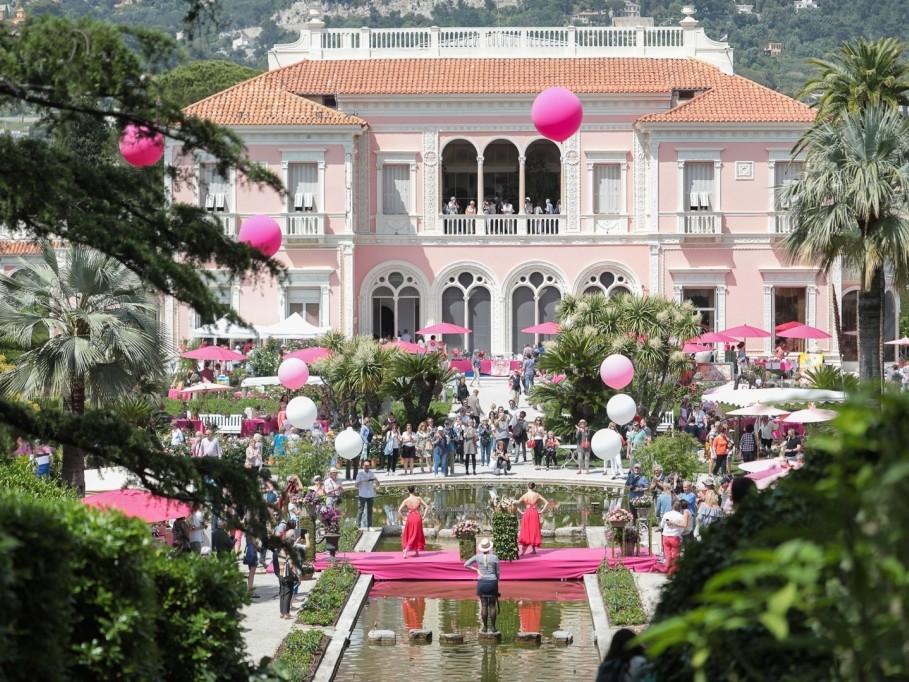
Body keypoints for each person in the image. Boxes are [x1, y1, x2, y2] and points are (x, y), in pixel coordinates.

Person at [464, 537, 500, 634]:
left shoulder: (477, 557)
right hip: (492, 582)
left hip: (482, 582)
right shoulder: (494, 557)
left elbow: (466, 564)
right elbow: (497, 572)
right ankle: (493, 628)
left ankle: (484, 627)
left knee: (484, 605)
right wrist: (497, 583)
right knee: (492, 605)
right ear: (489, 548)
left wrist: (476, 570)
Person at [517, 482, 548, 556]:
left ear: (527, 487)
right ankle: (533, 550)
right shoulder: (537, 495)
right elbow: (546, 502)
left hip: (527, 513)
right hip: (534, 512)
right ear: (534, 487)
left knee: (526, 530)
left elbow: (515, 504)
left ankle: (524, 551)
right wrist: (541, 511)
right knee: (533, 530)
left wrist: (521, 512)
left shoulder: (525, 495)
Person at [398, 486, 428, 559]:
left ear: (408, 490)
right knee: (416, 534)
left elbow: (399, 510)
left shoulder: (406, 500)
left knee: (411, 533)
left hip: (410, 518)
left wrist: (403, 518)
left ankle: (416, 552)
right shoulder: (418, 498)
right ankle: (406, 550)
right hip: (417, 517)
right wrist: (424, 516)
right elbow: (427, 507)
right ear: (414, 490)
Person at [276, 528, 299, 620]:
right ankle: (286, 614)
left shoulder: (281, 549)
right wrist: (297, 575)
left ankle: (282, 612)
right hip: (287, 575)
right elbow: (291, 564)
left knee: (282, 593)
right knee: (288, 593)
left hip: (281, 573)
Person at [660, 500, 686, 575]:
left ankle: (667, 567)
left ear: (672, 506)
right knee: (675, 554)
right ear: (680, 507)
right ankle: (674, 569)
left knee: (667, 554)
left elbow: (662, 525)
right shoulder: (681, 516)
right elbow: (682, 528)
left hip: (666, 536)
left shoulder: (667, 514)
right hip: (675, 536)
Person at [355, 460, 379, 530]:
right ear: (363, 466)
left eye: (368, 466)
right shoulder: (360, 474)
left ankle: (369, 526)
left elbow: (378, 484)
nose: (367, 467)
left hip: (370, 495)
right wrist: (363, 481)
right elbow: (356, 485)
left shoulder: (372, 473)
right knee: (360, 510)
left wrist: (377, 481)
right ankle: (358, 526)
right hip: (362, 494)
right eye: (365, 466)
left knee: (370, 511)